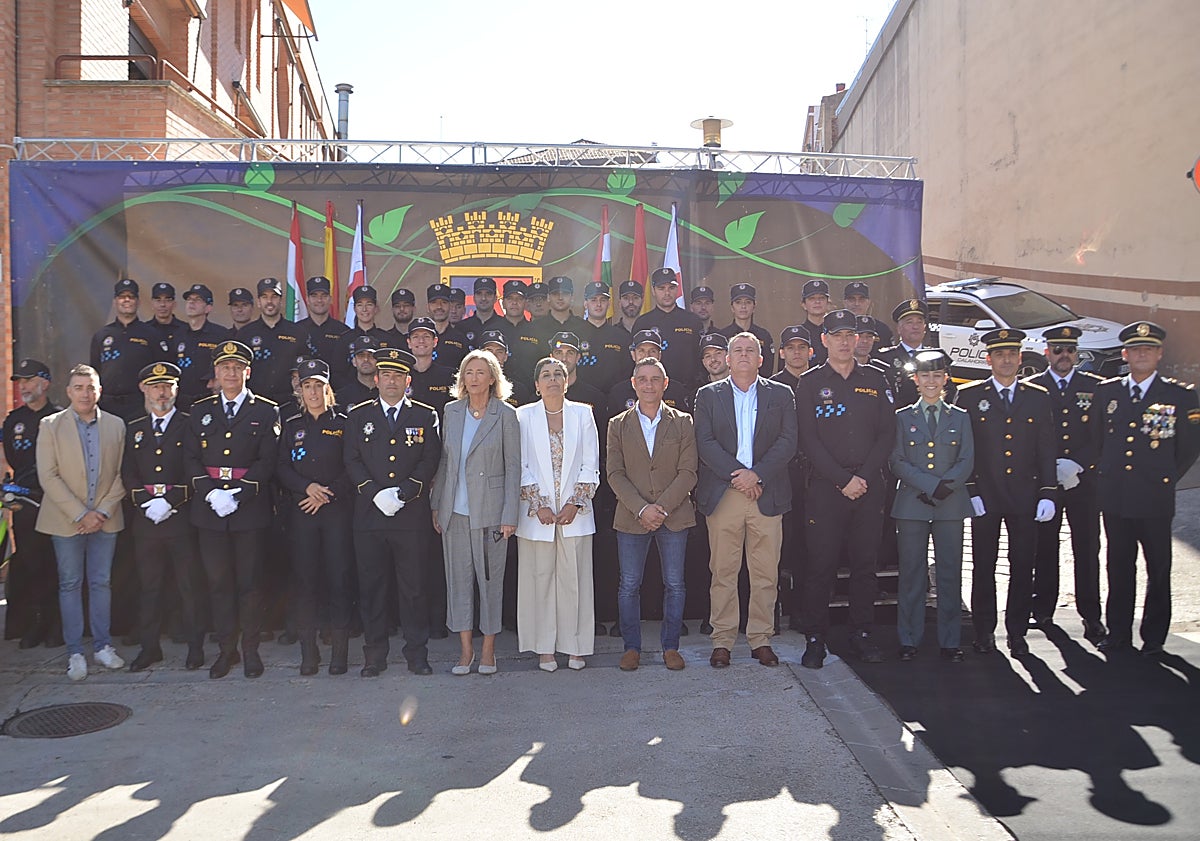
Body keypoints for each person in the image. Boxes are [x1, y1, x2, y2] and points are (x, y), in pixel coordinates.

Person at [794, 311, 897, 668]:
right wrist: (842, 480)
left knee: (864, 566)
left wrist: (863, 477)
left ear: (858, 339)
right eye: (836, 335)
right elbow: (808, 439)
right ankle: (815, 636)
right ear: (823, 340)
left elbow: (887, 434)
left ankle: (862, 633)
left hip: (868, 486)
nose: (843, 341)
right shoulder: (808, 384)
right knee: (820, 566)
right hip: (826, 489)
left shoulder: (877, 379)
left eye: (849, 335)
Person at [1095, 322, 1200, 656]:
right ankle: (1118, 633)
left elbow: (1189, 446)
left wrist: (1165, 475)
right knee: (1118, 566)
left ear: (1159, 354)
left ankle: (1154, 637)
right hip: (1116, 497)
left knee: (1158, 568)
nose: (1141, 354)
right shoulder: (1107, 392)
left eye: (1148, 349)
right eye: (1135, 349)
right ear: (1125, 355)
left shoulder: (1179, 396)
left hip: (1155, 497)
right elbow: (1097, 440)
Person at [694, 333, 797, 668]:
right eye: (736, 350)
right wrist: (740, 475)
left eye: (749, 351)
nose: (742, 355)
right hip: (726, 493)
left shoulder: (781, 394)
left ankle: (760, 638)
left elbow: (787, 440)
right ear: (727, 359)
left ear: (761, 359)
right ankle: (722, 640)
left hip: (766, 493)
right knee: (722, 570)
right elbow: (705, 442)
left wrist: (758, 474)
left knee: (765, 572)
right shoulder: (708, 395)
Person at [954, 328, 1056, 657]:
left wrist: (1048, 492)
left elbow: (1046, 448)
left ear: (1020, 358)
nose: (1007, 360)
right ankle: (984, 631)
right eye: (1000, 354)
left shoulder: (1038, 396)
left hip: (1026, 496)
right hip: (986, 493)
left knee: (1022, 565)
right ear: (989, 359)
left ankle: (1017, 631)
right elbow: (963, 449)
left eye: (1012, 354)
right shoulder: (969, 396)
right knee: (983, 565)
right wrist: (970, 490)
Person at [344, 347, 442, 677]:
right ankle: (375, 654)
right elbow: (352, 459)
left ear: (407, 381)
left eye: (398, 375)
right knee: (372, 587)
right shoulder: (358, 415)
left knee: (414, 588)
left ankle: (417, 653)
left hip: (409, 514)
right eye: (386, 375)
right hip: (370, 516)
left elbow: (431, 458)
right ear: (376, 379)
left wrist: (405, 491)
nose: (391, 381)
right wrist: (375, 493)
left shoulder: (424, 415)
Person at [185, 340, 281, 679]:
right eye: (225, 367)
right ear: (216, 372)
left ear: (247, 372)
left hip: (248, 510)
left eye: (237, 367)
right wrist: (211, 494)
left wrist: (237, 494)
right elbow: (192, 457)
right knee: (219, 584)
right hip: (209, 511)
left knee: (250, 584)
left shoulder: (265, 411)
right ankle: (227, 651)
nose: (230, 372)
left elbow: (268, 460)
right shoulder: (200, 410)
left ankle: (251, 650)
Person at [431, 351, 521, 675]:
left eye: (480, 372)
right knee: (458, 582)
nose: (473, 378)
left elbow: (513, 468)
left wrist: (510, 513)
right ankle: (465, 651)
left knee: (490, 583)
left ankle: (488, 651)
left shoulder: (506, 415)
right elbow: (444, 461)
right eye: (468, 372)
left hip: (491, 513)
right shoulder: (451, 411)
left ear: (493, 377)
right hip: (454, 510)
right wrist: (436, 504)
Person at [36, 364, 128, 680]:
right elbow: (48, 475)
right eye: (78, 387)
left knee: (101, 582)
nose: (85, 393)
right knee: (70, 584)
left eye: (90, 387)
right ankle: (75, 652)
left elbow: (122, 474)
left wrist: (100, 512)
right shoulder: (49, 425)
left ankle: (103, 646)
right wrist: (80, 514)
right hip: (66, 521)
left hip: (105, 518)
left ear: (99, 390)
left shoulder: (117, 426)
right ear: (68, 391)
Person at [607, 358, 697, 671]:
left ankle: (671, 647)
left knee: (675, 584)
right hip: (633, 516)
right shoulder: (617, 424)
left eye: (654, 379)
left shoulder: (683, 421)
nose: (648, 385)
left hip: (674, 516)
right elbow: (615, 473)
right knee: (629, 585)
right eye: (642, 379)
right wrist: (642, 508)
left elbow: (688, 471)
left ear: (665, 383)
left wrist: (663, 508)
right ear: (633, 383)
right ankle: (632, 648)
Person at [889, 350, 974, 662]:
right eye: (925, 376)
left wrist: (942, 489)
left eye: (937, 376)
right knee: (911, 572)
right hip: (912, 503)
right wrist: (928, 486)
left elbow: (967, 460)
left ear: (946, 379)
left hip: (950, 504)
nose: (931, 381)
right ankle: (909, 638)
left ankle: (950, 640)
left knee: (950, 572)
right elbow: (896, 460)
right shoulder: (902, 418)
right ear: (916, 379)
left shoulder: (960, 418)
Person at [516, 357, 600, 671]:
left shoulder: (583, 414)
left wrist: (574, 503)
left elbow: (591, 462)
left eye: (558, 375)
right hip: (536, 515)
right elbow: (519, 463)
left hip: (574, 514)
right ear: (536, 385)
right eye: (546, 375)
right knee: (539, 581)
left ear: (567, 382)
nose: (552, 380)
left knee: (574, 581)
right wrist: (538, 504)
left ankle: (576, 646)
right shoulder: (523, 416)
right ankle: (544, 648)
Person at [1024, 325, 1106, 642]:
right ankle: (1042, 608)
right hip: (1046, 482)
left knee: (1087, 548)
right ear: (1047, 353)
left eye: (1070, 350)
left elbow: (1101, 434)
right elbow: (1027, 436)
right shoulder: (1032, 387)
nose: (1064, 356)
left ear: (1077, 353)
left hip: (1084, 482)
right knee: (1043, 546)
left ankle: (1092, 615)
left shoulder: (1095, 387)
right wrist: (1051, 467)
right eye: (1057, 350)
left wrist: (1079, 463)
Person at [121, 361, 205, 671]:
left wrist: (169, 501)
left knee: (188, 586)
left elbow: (194, 467)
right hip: (146, 522)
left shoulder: (189, 424)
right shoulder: (134, 428)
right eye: (156, 386)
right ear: (144, 388)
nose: (162, 392)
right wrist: (145, 501)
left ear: (176, 389)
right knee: (149, 588)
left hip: (180, 518)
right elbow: (127, 472)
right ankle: (149, 647)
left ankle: (195, 648)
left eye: (167, 386)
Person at [276, 359, 355, 675]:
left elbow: (353, 466)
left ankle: (339, 654)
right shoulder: (292, 425)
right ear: (300, 390)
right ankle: (309, 653)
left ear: (328, 389)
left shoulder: (344, 423)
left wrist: (327, 493)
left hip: (336, 513)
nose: (313, 392)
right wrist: (306, 488)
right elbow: (281, 467)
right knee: (305, 584)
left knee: (339, 582)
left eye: (318, 386)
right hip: (303, 513)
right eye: (307, 386)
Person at [4, 360, 62, 648]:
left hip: (57, 502)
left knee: (59, 565)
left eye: (28, 380)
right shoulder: (13, 420)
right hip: (25, 503)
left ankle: (59, 625)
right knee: (32, 564)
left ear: (45, 382)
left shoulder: (61, 417)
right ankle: (37, 624)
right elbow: (13, 461)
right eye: (20, 381)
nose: (23, 386)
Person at [770, 325, 812, 629]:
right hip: (781, 476)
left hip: (816, 477)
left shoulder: (821, 382)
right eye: (790, 348)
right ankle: (777, 608)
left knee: (811, 548)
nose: (796, 353)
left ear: (811, 351)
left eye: (802, 347)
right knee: (780, 547)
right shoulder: (772, 386)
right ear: (781, 353)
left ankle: (804, 609)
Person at [90, 278, 165, 421]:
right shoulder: (102, 335)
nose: (126, 300)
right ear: (115, 302)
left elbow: (160, 370)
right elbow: (94, 371)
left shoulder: (151, 334)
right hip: (107, 405)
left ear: (138, 302)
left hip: (138, 404)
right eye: (122, 297)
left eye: (131, 297)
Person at [236, 277, 304, 407]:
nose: (269, 301)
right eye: (264, 297)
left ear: (281, 301)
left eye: (274, 297)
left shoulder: (297, 332)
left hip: (289, 403)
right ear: (258, 302)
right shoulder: (245, 334)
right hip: (254, 403)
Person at [633, 268, 704, 391]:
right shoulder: (643, 322)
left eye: (671, 288)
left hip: (687, 389)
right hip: (652, 389)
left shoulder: (692, 321)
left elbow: (700, 357)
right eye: (661, 288)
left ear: (677, 289)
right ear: (653, 291)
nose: (667, 293)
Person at [175, 284, 232, 411]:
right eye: (189, 299)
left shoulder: (220, 335)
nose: (192, 303)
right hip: (181, 401)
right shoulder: (177, 335)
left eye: (198, 300)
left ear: (208, 308)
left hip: (209, 398)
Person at [333, 286, 392, 387]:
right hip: (351, 394)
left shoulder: (386, 339)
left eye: (369, 304)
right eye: (360, 305)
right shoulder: (344, 339)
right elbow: (337, 372)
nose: (364, 309)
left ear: (376, 308)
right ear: (354, 309)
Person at [577, 281, 627, 393]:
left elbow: (627, 373)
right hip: (581, 398)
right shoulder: (575, 336)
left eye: (603, 300)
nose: (598, 304)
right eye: (593, 300)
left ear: (609, 303)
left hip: (613, 398)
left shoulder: (621, 337)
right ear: (585, 303)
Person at [717, 283, 774, 377]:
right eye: (738, 302)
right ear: (732, 307)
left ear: (754, 306)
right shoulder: (722, 336)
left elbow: (768, 368)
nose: (743, 306)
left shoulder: (764, 335)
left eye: (748, 302)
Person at [405, 317, 456, 416]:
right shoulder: (401, 375)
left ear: (435, 341)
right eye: (415, 337)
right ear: (409, 343)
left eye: (426, 336)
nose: (421, 341)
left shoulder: (449, 376)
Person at [295, 275, 349, 366]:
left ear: (330, 299)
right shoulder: (296, 330)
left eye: (324, 296)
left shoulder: (344, 331)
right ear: (307, 300)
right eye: (314, 296)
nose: (319, 300)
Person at [479, 330, 533, 406]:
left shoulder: (518, 389)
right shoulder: (471, 383)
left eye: (499, 352)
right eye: (489, 350)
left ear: (505, 356)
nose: (494, 355)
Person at [425, 283, 469, 370]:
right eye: (434, 303)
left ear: (449, 306)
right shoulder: (418, 337)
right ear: (427, 307)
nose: (439, 307)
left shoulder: (460, 339)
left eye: (444, 302)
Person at [336, 334, 384, 407]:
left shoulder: (387, 393)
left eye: (371, 355)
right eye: (361, 356)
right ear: (354, 361)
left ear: (379, 361)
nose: (366, 359)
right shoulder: (342, 396)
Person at [843, 282, 894, 348]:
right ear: (844, 303)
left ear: (868, 303)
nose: (857, 303)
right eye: (852, 299)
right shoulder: (835, 328)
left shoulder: (881, 330)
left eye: (861, 299)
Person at [457, 277, 502, 349]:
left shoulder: (505, 326)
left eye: (488, 294)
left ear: (495, 298)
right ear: (474, 298)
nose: (483, 298)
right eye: (479, 294)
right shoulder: (461, 327)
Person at [800, 280, 832, 367]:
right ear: (804, 305)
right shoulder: (798, 334)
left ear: (828, 303)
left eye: (821, 298)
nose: (817, 302)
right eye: (811, 298)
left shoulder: (836, 333)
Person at [145, 282, 187, 347]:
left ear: (174, 304)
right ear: (152, 304)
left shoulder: (185, 330)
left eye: (167, 300)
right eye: (158, 300)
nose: (163, 304)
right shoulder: (144, 329)